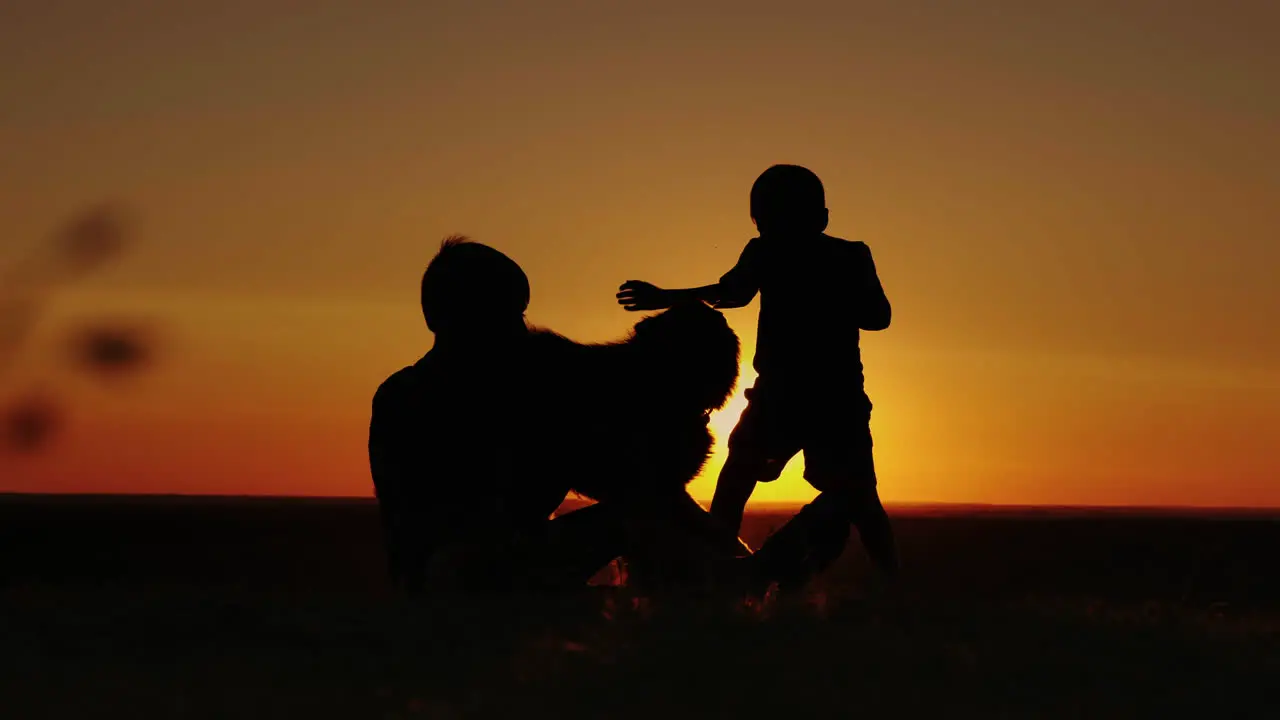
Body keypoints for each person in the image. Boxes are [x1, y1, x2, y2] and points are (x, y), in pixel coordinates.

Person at [617, 164, 899, 588]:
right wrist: (667, 297)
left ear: (820, 219)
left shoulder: (845, 255)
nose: (775, 230)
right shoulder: (772, 253)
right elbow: (732, 293)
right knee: (740, 481)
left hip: (828, 398)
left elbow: (878, 317)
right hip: (787, 395)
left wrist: (667, 296)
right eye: (768, 222)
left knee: (853, 496)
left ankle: (889, 584)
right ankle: (711, 575)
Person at [369, 236, 620, 594]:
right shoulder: (511, 397)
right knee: (640, 516)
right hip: (470, 574)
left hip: (435, 576)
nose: (522, 328)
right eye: (511, 314)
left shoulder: (399, 392)